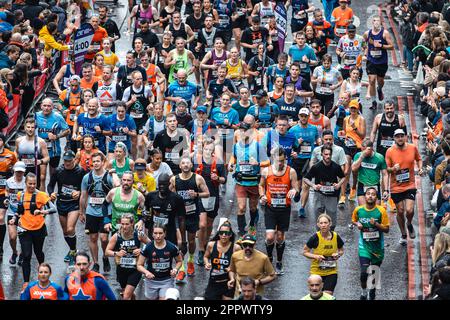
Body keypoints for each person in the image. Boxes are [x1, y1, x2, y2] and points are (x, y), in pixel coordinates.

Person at [12, 173, 56, 289]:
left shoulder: (41, 195)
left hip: (38, 229)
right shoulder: (20, 195)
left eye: (34, 184)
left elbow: (53, 209)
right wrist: (14, 218)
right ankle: (26, 282)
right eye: (30, 184)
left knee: (38, 252)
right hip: (24, 229)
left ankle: (43, 275)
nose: (32, 186)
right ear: (25, 183)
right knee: (26, 255)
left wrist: (42, 212)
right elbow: (19, 211)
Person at [259, 148, 299, 274]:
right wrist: (262, 196)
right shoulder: (266, 171)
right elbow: (261, 185)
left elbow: (296, 187)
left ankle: (279, 261)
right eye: (278, 161)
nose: (280, 164)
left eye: (282, 161)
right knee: (270, 237)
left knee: (280, 237)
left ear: (285, 159)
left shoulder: (291, 171)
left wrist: (294, 190)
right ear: (273, 159)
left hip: (284, 209)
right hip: (270, 208)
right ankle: (269, 258)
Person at [170, 157, 210, 280]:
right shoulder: (174, 179)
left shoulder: (197, 178)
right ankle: (181, 269)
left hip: (192, 213)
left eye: (188, 163)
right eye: (183, 163)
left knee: (192, 242)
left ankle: (191, 261)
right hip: (180, 215)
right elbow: (169, 195)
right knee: (181, 243)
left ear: (191, 165)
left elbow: (207, 193)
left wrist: (196, 194)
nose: (185, 165)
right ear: (180, 166)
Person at [79, 152, 120, 273]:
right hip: (91, 212)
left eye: (98, 161)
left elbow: (117, 190)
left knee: (103, 238)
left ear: (103, 162)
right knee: (92, 237)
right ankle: (96, 262)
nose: (96, 163)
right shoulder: (87, 178)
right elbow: (83, 195)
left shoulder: (108, 177)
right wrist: (81, 212)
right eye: (94, 161)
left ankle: (105, 256)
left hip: (106, 212)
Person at [228, 120, 266, 236]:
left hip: (253, 181)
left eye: (245, 131)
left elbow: (267, 162)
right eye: (241, 131)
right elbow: (233, 158)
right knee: (241, 207)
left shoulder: (257, 145)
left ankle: (252, 226)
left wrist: (258, 164)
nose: (242, 134)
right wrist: (230, 164)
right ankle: (241, 232)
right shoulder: (236, 146)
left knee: (253, 208)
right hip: (241, 181)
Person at [386, 129, 423, 245]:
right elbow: (386, 169)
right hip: (396, 186)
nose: (400, 138)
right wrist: (393, 169)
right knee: (400, 211)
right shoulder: (390, 151)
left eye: (402, 136)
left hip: (410, 184)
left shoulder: (412, 148)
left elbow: (419, 159)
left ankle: (409, 223)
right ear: (394, 138)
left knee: (409, 210)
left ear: (405, 137)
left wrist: (420, 168)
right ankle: (403, 234)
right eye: (397, 136)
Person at [47, 150, 85, 265]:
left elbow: (86, 187)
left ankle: (73, 252)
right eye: (65, 161)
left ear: (74, 159)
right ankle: (72, 250)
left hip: (74, 204)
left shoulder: (80, 171)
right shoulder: (59, 171)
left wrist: (79, 192)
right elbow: (50, 186)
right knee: (65, 232)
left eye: (69, 160)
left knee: (70, 228)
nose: (67, 163)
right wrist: (51, 194)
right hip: (62, 203)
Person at [352, 187, 390, 300]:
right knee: (363, 273)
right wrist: (357, 224)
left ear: (376, 197)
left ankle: (372, 290)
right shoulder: (358, 210)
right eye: (368, 194)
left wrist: (376, 225)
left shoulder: (381, 211)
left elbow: (387, 229)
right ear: (365, 196)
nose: (370, 196)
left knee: (374, 273)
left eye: (373, 194)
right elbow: (353, 220)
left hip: (378, 248)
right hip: (364, 247)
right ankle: (364, 292)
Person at [193, 138, 226, 265]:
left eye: (210, 150)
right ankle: (201, 251)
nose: (208, 151)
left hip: (212, 196)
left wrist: (218, 178)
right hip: (200, 195)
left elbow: (224, 180)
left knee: (208, 225)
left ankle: (205, 245)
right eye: (206, 149)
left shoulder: (218, 163)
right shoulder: (196, 161)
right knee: (201, 224)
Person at [105, 214, 150, 300]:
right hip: (121, 269)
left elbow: (151, 245)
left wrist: (141, 250)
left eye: (127, 224)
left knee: (126, 296)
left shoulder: (139, 234)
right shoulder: (116, 236)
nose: (124, 226)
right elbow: (107, 252)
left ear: (132, 223)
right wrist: (116, 253)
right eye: (122, 224)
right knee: (127, 294)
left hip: (135, 269)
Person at [137, 225, 183, 300]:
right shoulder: (148, 247)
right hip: (151, 281)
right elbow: (139, 265)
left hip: (167, 280)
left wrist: (175, 269)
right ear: (152, 234)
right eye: (155, 233)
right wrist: (146, 272)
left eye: (160, 233)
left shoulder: (171, 247)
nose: (158, 236)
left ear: (165, 234)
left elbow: (179, 261)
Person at [288, 108, 319, 217]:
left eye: (305, 116)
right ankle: (297, 192)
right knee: (299, 186)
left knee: (306, 185)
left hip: (309, 159)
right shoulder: (292, 130)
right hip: (297, 160)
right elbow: (289, 146)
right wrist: (296, 145)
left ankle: (302, 207)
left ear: (308, 116)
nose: (303, 118)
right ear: (299, 116)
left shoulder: (314, 129)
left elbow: (317, 141)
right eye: (301, 116)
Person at [303, 214, 344, 295]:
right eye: (321, 223)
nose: (323, 225)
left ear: (330, 224)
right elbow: (304, 252)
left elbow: (341, 250)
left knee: (328, 294)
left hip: (331, 271)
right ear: (318, 225)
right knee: (317, 295)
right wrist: (316, 256)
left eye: (325, 223)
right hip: (316, 272)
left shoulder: (336, 236)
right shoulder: (315, 237)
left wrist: (338, 254)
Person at [303, 145, 346, 222]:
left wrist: (338, 185)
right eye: (326, 154)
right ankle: (319, 233)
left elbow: (343, 177)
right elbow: (305, 178)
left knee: (332, 220)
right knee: (319, 220)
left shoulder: (336, 166)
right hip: (319, 195)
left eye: (329, 154)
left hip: (332, 195)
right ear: (321, 154)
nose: (328, 156)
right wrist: (314, 186)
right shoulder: (316, 167)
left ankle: (331, 233)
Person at [228, 234, 276, 298]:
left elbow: (273, 276)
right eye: (245, 245)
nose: (247, 248)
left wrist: (259, 282)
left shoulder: (263, 258)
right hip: (239, 294)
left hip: (256, 295)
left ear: (254, 244)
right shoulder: (235, 256)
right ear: (242, 245)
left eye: (250, 245)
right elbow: (232, 270)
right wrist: (232, 279)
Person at [363, 16, 394, 110]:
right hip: (371, 60)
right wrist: (365, 51)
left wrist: (381, 45)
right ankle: (373, 102)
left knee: (380, 81)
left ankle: (379, 89)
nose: (377, 23)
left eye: (378, 22)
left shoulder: (385, 33)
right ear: (372, 22)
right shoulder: (367, 33)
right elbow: (363, 43)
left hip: (382, 61)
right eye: (375, 21)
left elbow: (392, 46)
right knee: (371, 80)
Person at [203, 220, 241, 300]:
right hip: (214, 282)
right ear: (218, 233)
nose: (224, 235)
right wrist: (206, 263)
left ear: (230, 234)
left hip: (228, 282)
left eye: (226, 233)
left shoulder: (236, 248)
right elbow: (206, 257)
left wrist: (232, 270)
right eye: (221, 233)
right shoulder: (211, 245)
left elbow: (241, 264)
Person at [36, 98, 71, 179]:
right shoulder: (36, 116)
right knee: (41, 177)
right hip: (40, 151)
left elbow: (67, 131)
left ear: (52, 107)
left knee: (53, 177)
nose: (46, 108)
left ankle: (51, 191)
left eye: (49, 106)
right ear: (41, 106)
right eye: (44, 105)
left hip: (54, 151)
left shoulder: (58, 117)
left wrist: (56, 136)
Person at [122, 70, 153, 159]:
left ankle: (141, 161)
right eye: (137, 79)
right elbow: (123, 106)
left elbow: (151, 96)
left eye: (141, 79)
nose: (140, 80)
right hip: (132, 120)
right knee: (134, 143)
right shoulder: (128, 91)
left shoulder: (146, 89)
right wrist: (131, 101)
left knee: (140, 144)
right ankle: (135, 161)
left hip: (142, 119)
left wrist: (151, 103)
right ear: (133, 80)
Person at [351, 139, 389, 206]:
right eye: (362, 150)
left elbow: (385, 174)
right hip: (362, 184)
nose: (363, 152)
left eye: (365, 150)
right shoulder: (358, 155)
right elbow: (353, 169)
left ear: (371, 149)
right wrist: (361, 157)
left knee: (375, 212)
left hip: (375, 185)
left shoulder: (379, 157)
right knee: (363, 210)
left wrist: (386, 190)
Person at [5, 161, 26, 265]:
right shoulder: (9, 181)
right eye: (17, 171)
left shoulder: (27, 182)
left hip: (24, 213)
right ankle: (14, 252)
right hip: (11, 212)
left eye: (21, 172)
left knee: (22, 236)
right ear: (14, 171)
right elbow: (7, 191)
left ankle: (23, 254)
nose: (19, 173)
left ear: (24, 172)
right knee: (12, 237)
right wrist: (6, 198)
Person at [0, 132, 16, 259]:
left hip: (3, 192)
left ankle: (0, 247)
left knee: (0, 218)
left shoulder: (10, 155)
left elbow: (17, 169)